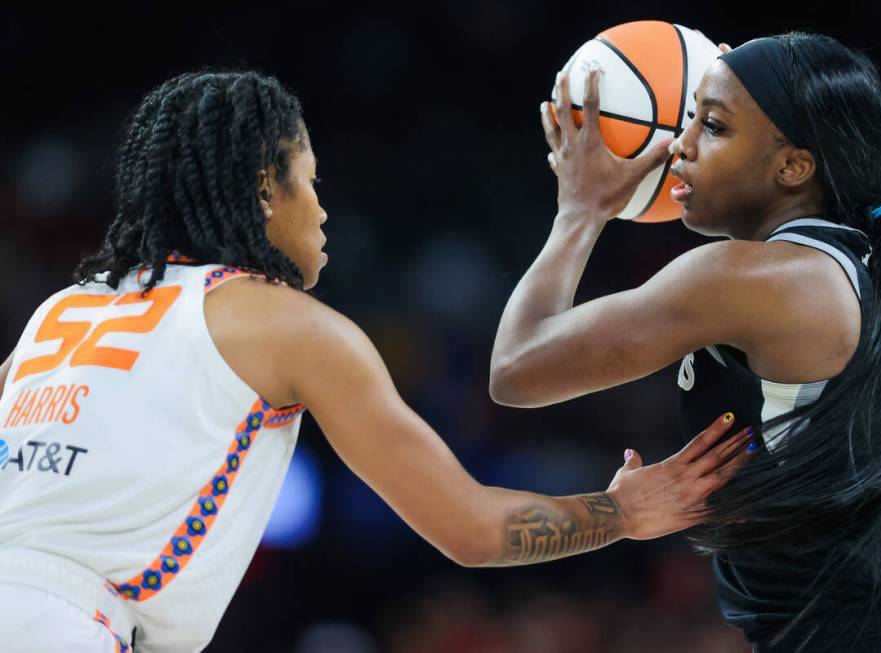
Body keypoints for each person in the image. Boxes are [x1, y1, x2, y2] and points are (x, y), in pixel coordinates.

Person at [0, 70, 751, 653]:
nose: (323, 209)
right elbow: (470, 527)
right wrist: (620, 512)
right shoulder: (288, 323)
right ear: (266, 185)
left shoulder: (58, 312)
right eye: (310, 178)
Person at [489, 32, 881, 652]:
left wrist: (580, 211)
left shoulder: (757, 278)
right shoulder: (857, 265)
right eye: (689, 116)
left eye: (713, 127)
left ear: (793, 166)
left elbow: (517, 368)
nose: (679, 146)